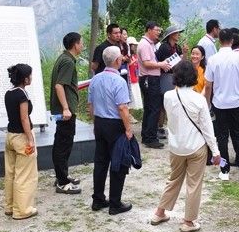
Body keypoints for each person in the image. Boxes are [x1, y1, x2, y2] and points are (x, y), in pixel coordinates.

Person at [152, 63, 217, 232]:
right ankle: (188, 221)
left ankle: (159, 212)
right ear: (194, 77)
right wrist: (215, 151)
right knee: (194, 185)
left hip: (176, 146)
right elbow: (207, 128)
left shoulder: (168, 96)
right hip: (196, 147)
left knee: (173, 179)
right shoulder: (199, 99)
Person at [87, 47, 135, 215]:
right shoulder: (119, 81)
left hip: (100, 122)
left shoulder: (95, 79)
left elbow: (91, 106)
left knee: (100, 162)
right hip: (115, 124)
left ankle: (98, 199)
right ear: (117, 61)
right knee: (118, 162)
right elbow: (122, 107)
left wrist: (95, 123)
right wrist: (128, 128)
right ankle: (115, 203)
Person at [205, 29, 239, 182]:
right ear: (233, 41)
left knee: (221, 137)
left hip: (219, 102)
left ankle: (224, 170)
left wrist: (208, 103)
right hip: (237, 101)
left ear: (219, 40)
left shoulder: (213, 59)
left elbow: (208, 85)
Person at [2, 64, 40, 220]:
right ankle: (22, 210)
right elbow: (24, 118)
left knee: (10, 174)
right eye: (30, 75)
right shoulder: (22, 95)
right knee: (25, 175)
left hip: (10, 136)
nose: (31, 78)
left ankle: (10, 206)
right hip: (22, 138)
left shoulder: (8, 93)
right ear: (25, 79)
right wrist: (30, 139)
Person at [48, 33, 85, 194]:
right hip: (66, 111)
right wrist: (65, 108)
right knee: (63, 144)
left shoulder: (64, 58)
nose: (82, 45)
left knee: (62, 143)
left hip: (66, 109)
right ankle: (62, 182)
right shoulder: (68, 61)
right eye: (81, 43)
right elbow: (59, 86)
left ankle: (62, 175)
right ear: (75, 44)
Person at [136, 24, 176, 149]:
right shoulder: (144, 44)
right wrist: (161, 64)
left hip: (150, 78)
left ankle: (146, 135)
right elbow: (147, 63)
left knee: (150, 108)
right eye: (156, 30)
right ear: (149, 30)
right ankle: (150, 138)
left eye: (159, 30)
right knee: (154, 108)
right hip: (149, 78)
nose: (158, 32)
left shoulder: (149, 44)